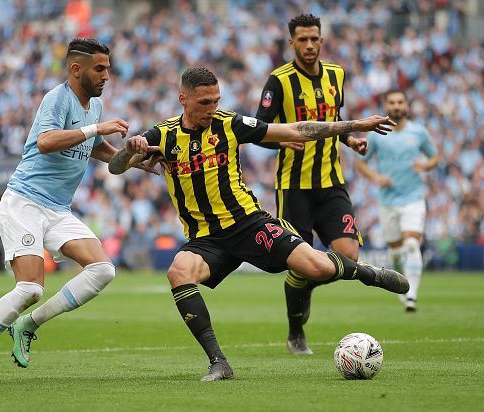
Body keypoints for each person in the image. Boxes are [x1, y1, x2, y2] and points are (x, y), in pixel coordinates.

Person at [108, 66, 408, 381]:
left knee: (318, 269)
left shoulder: (230, 124)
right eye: (204, 103)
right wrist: (130, 150)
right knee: (179, 272)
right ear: (183, 99)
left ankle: (368, 274)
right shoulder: (163, 135)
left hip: (249, 224)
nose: (212, 109)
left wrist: (356, 124)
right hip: (206, 239)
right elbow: (116, 167)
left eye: (215, 101)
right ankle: (219, 363)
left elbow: (296, 130)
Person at [0, 38, 156, 385]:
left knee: (103, 270)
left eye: (108, 68)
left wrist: (135, 160)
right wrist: (95, 129)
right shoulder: (57, 99)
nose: (107, 75)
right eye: (99, 69)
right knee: (30, 289)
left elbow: (98, 149)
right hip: (24, 202)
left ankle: (28, 324)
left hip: (57, 209)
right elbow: (46, 141)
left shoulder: (94, 106)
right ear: (76, 69)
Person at [255, 13, 369, 355]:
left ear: (322, 40)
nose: (309, 45)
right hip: (293, 188)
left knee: (348, 253)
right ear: (291, 43)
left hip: (331, 183)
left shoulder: (337, 74)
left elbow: (333, 121)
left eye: (314, 39)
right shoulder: (278, 81)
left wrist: (351, 141)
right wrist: (280, 141)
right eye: (302, 40)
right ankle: (295, 330)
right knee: (300, 263)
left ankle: (307, 284)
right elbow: (257, 129)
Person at [355, 89, 439, 312]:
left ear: (407, 105)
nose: (396, 106)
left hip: (413, 198)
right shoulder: (377, 134)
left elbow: (434, 156)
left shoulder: (418, 133)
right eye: (392, 102)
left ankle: (411, 295)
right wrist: (375, 177)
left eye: (400, 102)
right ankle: (402, 283)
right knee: (395, 251)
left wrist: (426, 166)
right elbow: (361, 162)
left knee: (412, 243)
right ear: (386, 105)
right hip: (388, 201)